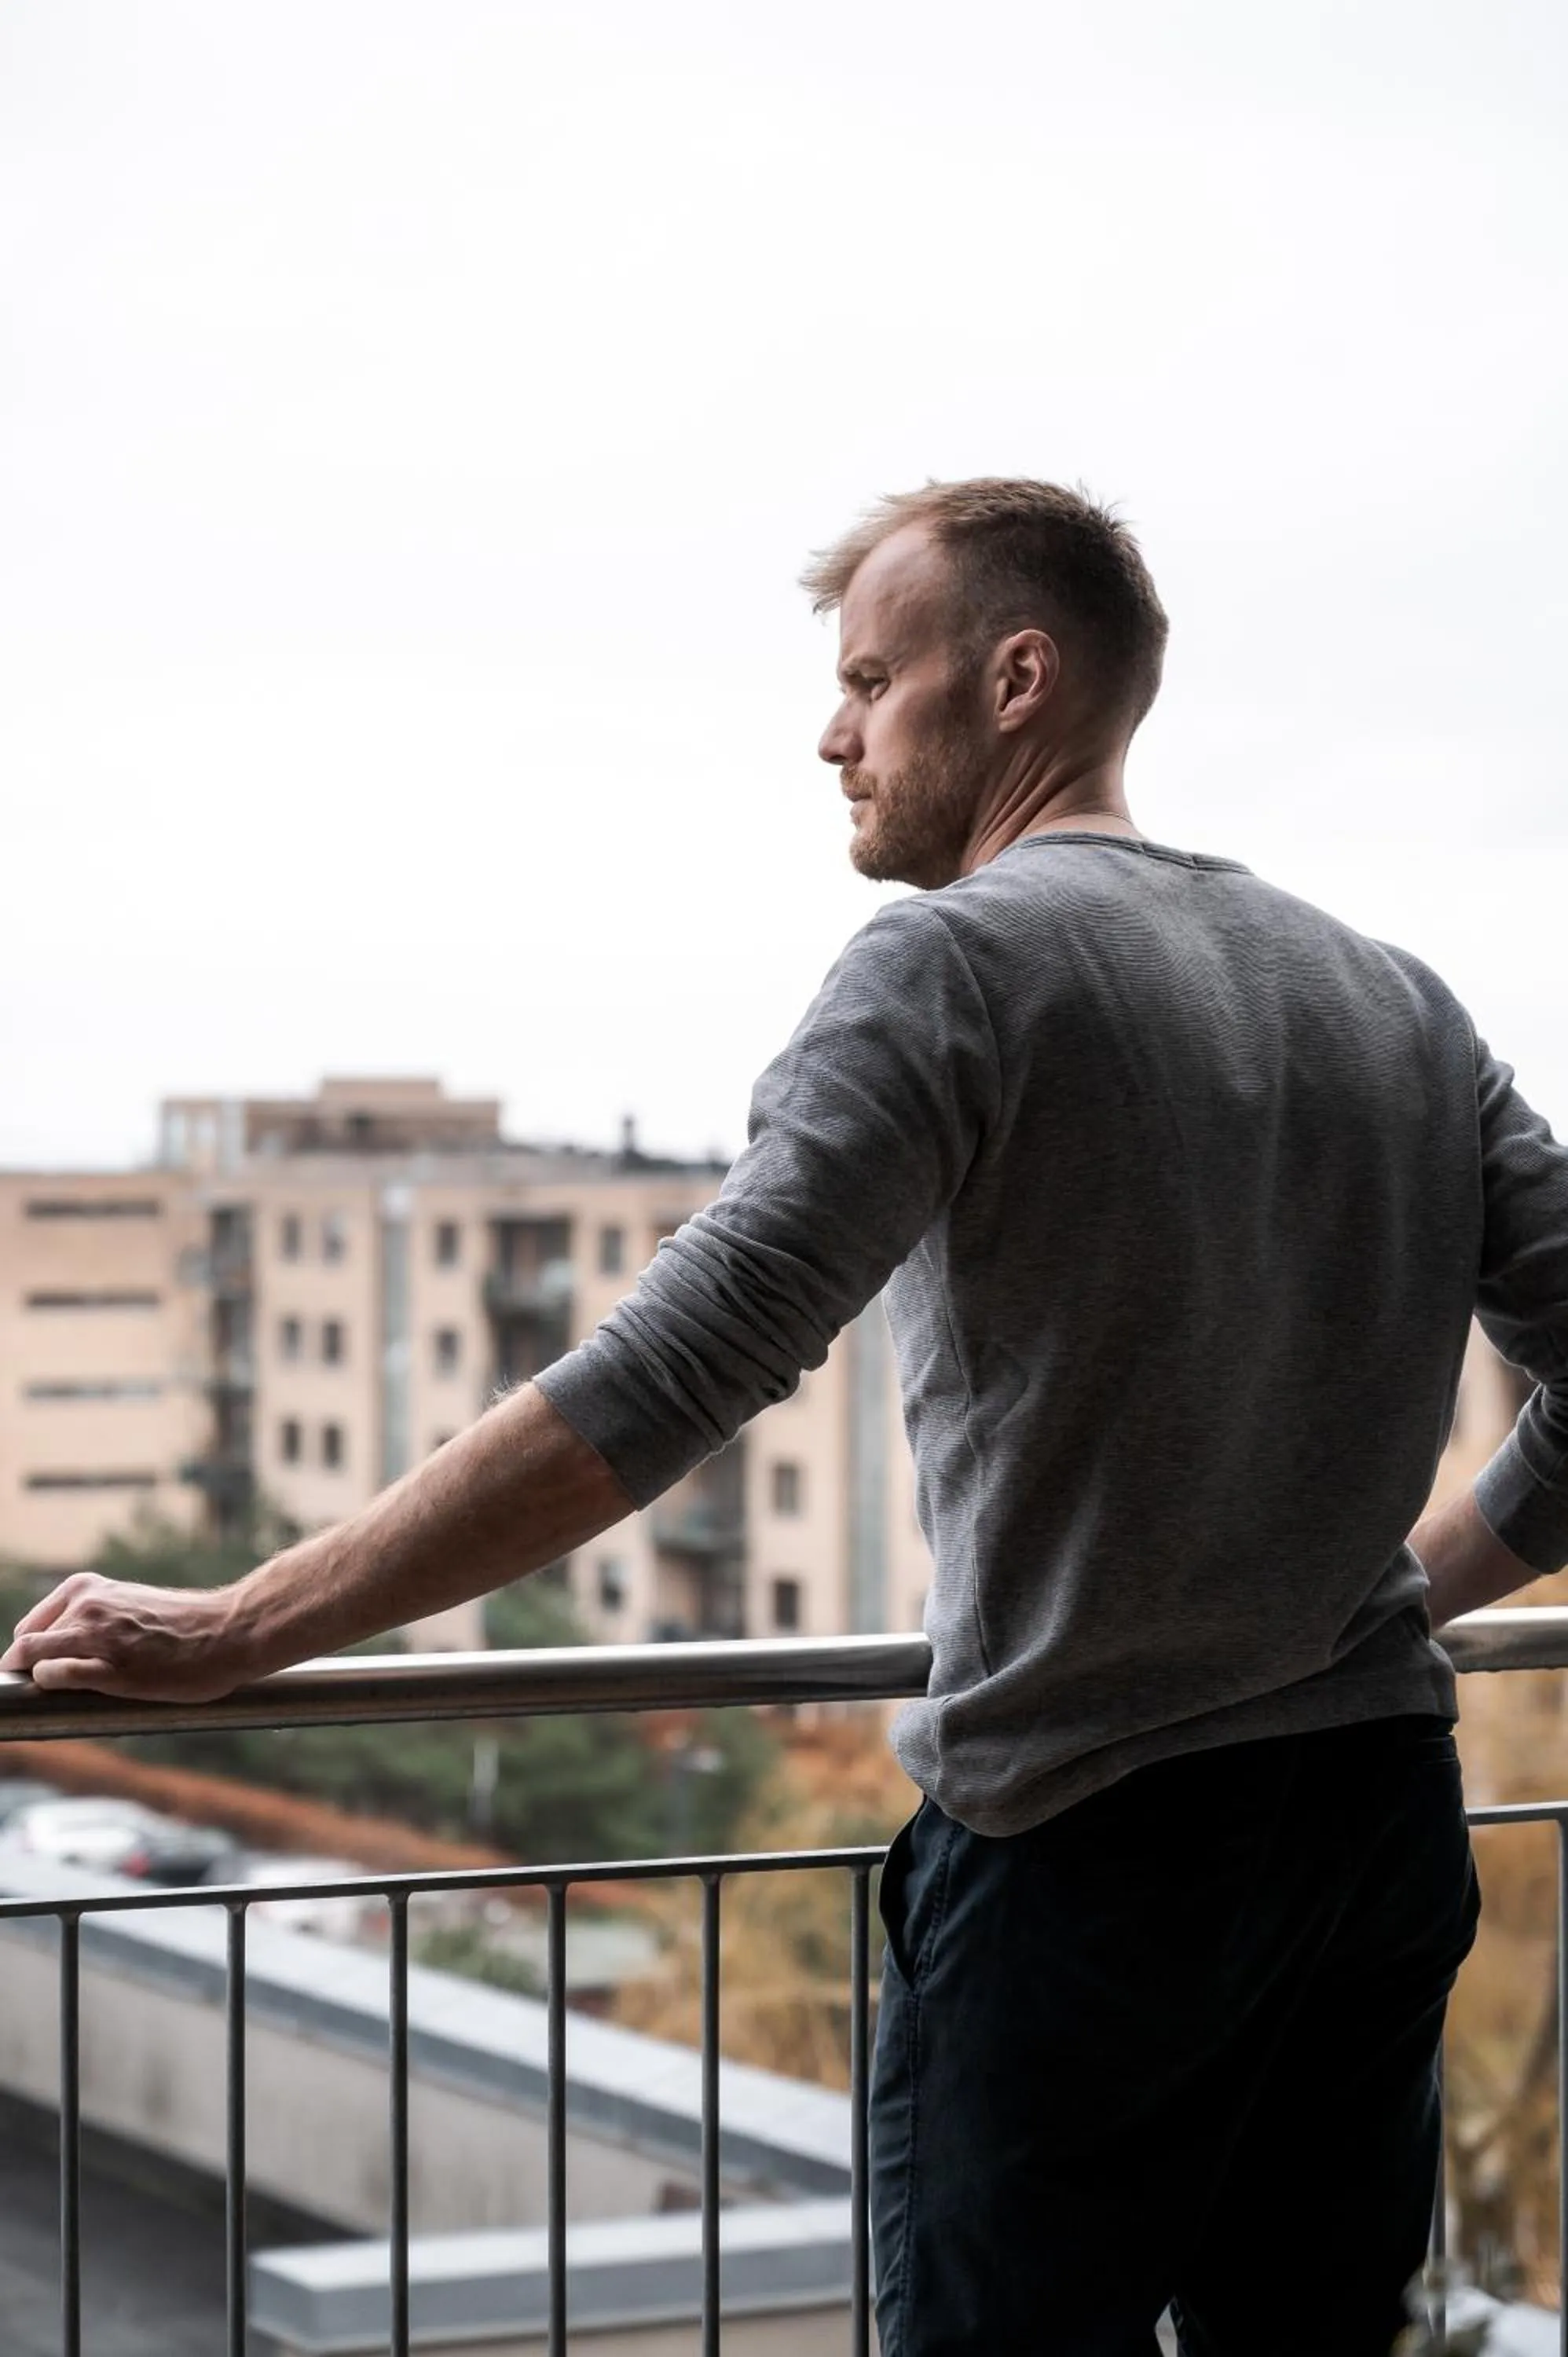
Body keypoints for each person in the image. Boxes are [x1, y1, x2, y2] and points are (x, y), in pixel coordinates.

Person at [4, 478, 1561, 2356]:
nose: (829, 732)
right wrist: (1415, 1586)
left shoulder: (954, 967)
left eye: (866, 678)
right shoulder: (1392, 1000)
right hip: (1365, 1833)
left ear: (1013, 681)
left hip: (1091, 1858)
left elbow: (664, 1377)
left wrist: (238, 1627)